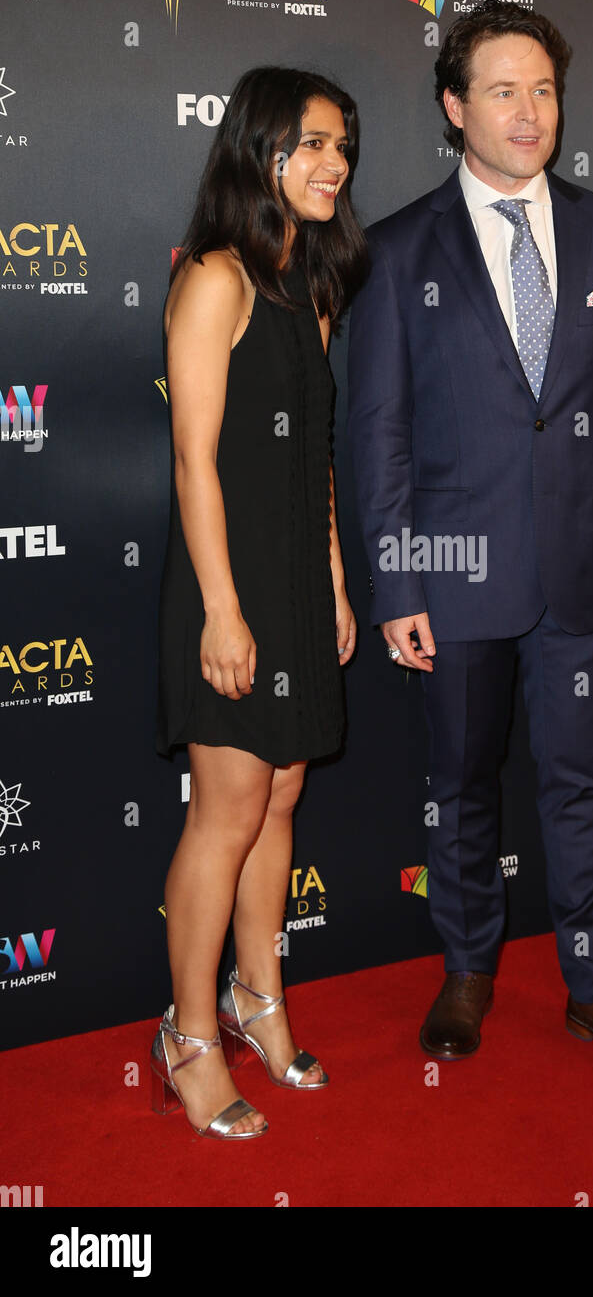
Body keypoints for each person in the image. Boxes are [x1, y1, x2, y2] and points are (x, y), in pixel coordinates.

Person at [348, 1, 593, 1077]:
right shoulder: (397, 250)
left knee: (581, 786)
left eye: (541, 88)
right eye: (501, 88)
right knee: (460, 784)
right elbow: (380, 433)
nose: (528, 111)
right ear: (454, 107)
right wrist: (396, 583)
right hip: (451, 575)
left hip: (583, 571)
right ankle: (466, 972)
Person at [153, 66, 367, 1138]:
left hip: (292, 580)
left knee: (280, 801)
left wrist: (329, 577)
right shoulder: (216, 279)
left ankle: (257, 998)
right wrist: (221, 610)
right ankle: (190, 1034)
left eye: (342, 147)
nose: (335, 165)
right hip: (226, 585)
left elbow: (317, 456)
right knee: (225, 811)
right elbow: (195, 462)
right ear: (260, 149)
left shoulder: (307, 282)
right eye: (315, 144)